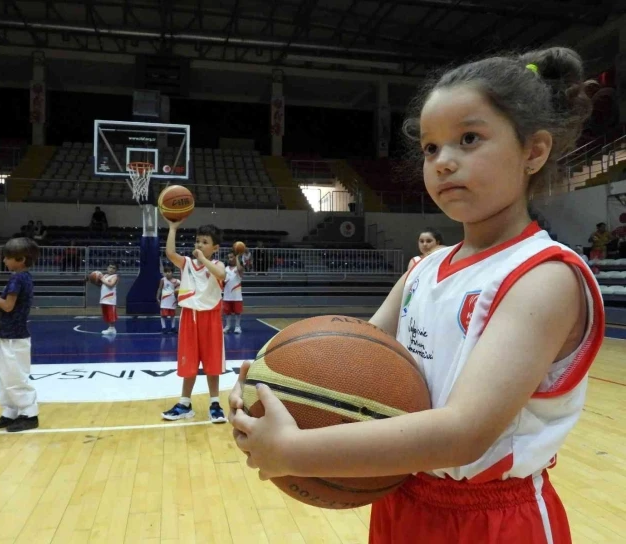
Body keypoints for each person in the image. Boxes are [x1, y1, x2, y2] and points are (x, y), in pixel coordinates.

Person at [229, 47, 605, 544]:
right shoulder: (423, 269)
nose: (444, 162)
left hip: (492, 519)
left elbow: (464, 433)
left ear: (533, 151)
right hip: (400, 500)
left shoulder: (543, 277)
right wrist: (264, 391)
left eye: (469, 139)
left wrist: (296, 451)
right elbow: (351, 356)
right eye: (431, 148)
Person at [161, 219, 227, 423]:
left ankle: (215, 403)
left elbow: (221, 274)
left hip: (211, 318)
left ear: (215, 248)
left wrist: (203, 260)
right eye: (197, 241)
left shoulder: (217, 264)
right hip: (189, 317)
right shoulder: (186, 263)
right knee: (188, 361)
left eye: (204, 242)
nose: (199, 245)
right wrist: (172, 228)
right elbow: (170, 254)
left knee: (212, 363)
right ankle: (184, 403)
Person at [0, 237, 40, 432]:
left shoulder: (19, 278)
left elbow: (8, 306)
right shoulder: (20, 278)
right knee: (3, 376)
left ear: (20, 259)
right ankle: (10, 412)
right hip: (5, 335)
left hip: (15, 337)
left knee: (15, 377)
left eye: (7, 257)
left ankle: (29, 414)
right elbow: (4, 307)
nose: (4, 261)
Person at [223, 251, 245, 334]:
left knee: (237, 312)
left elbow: (240, 269)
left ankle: (237, 327)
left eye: (232, 257)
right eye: (229, 257)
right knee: (227, 312)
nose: (230, 259)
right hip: (227, 294)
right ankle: (227, 326)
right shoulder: (225, 269)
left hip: (237, 296)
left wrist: (237, 258)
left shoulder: (239, 268)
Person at [157, 265, 180, 334]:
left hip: (172, 299)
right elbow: (160, 289)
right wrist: (157, 297)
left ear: (172, 272)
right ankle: (164, 327)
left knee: (172, 315)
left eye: (169, 272)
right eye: (165, 272)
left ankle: (173, 327)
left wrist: (178, 298)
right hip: (164, 300)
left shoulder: (177, 281)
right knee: (163, 315)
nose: (167, 273)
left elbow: (180, 290)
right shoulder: (163, 280)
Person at [99, 263, 119, 336]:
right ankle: (109, 328)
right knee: (106, 314)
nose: (111, 269)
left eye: (114, 268)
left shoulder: (115, 276)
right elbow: (102, 285)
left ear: (116, 270)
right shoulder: (105, 276)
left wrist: (101, 279)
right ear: (107, 268)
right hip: (104, 298)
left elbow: (111, 285)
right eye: (110, 267)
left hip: (110, 299)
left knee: (111, 314)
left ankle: (112, 328)